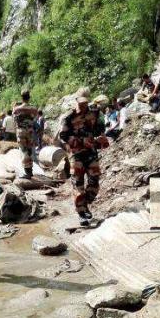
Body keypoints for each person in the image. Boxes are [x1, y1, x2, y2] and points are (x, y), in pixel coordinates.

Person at [59, 95, 109, 226]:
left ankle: (84, 204)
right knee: (78, 184)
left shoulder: (93, 113)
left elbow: (99, 128)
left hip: (91, 153)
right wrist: (81, 142)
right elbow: (63, 136)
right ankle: (81, 213)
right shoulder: (69, 117)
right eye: (80, 105)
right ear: (76, 104)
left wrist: (101, 138)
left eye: (85, 104)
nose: (83, 107)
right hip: (76, 156)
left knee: (95, 182)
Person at [13, 90, 38, 179]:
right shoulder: (34, 109)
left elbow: (15, 120)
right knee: (30, 150)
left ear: (21, 97)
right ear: (29, 97)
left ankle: (27, 173)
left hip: (21, 132)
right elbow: (35, 118)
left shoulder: (17, 109)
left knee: (23, 151)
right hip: (30, 131)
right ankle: (30, 171)